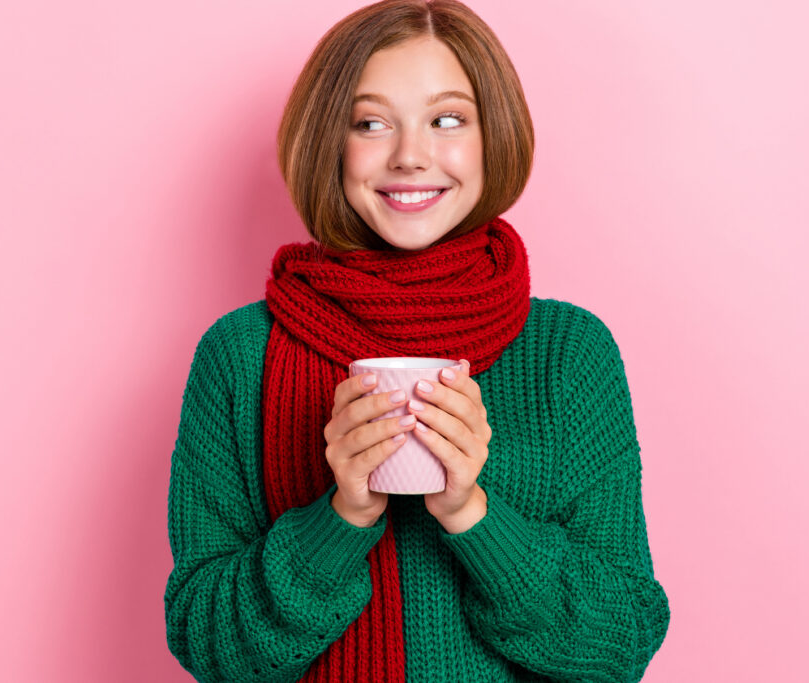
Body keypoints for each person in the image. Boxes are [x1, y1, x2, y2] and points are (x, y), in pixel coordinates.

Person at [163, 1, 671, 681]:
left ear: (494, 136)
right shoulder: (239, 355)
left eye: (447, 119)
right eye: (371, 123)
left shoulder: (569, 353)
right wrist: (343, 516)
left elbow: (620, 642)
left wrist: (473, 514)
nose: (410, 155)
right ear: (329, 145)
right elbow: (210, 646)